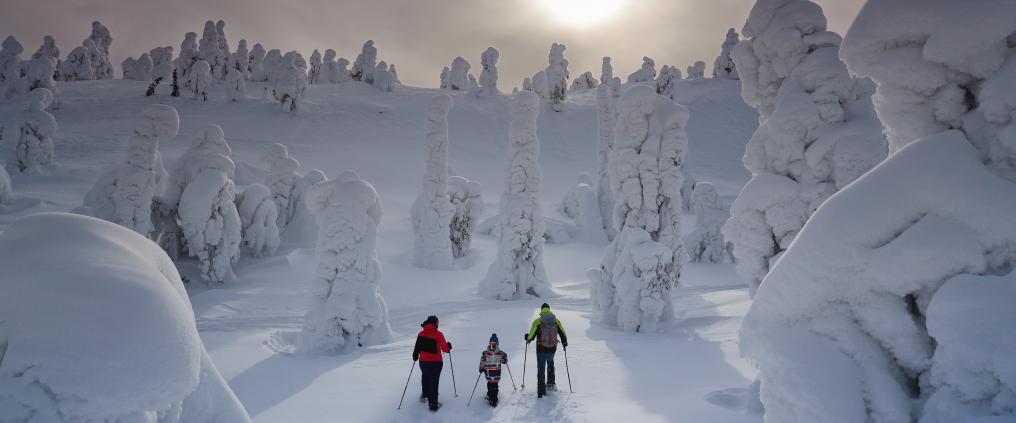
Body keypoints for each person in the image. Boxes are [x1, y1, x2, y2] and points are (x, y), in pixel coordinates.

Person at [524, 303, 567, 398]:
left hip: (541, 349)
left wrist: (528, 339)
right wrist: (564, 343)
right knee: (550, 363)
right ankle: (551, 384)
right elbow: (562, 332)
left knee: (541, 369)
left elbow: (531, 336)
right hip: (552, 348)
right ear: (549, 309)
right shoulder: (556, 321)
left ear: (541, 310)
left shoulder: (538, 321)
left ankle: (541, 391)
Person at [413, 315, 451, 412]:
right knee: (434, 381)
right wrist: (449, 347)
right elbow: (445, 349)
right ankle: (433, 404)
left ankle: (425, 395)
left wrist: (415, 356)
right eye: (438, 322)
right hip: (436, 363)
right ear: (434, 323)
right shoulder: (439, 334)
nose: (438, 324)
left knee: (425, 377)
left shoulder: (421, 334)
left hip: (423, 362)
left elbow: (417, 348)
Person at [478, 333, 509, 407]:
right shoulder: (500, 353)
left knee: (490, 384)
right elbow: (504, 361)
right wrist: (505, 357)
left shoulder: (486, 353)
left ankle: (491, 398)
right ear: (497, 344)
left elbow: (482, 362)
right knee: (495, 385)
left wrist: (481, 368)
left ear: (489, 343)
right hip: (497, 374)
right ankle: (493, 397)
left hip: (488, 374)